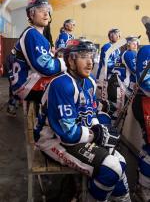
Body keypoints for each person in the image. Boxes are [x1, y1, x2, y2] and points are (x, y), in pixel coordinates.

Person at [36, 39, 131, 202]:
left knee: (121, 161)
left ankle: (122, 199)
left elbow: (90, 114)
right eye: (83, 56)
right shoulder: (62, 84)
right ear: (71, 61)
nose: (90, 62)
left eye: (91, 56)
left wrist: (99, 128)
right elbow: (68, 134)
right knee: (111, 169)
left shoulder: (90, 82)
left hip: (76, 136)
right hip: (52, 141)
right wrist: (96, 135)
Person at [11, 0, 66, 103]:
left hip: (27, 80)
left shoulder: (36, 35)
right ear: (31, 14)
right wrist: (65, 62)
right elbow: (46, 68)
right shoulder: (32, 34)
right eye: (41, 11)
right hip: (25, 85)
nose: (46, 14)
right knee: (67, 85)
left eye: (47, 11)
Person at [132, 19, 150, 202]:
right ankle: (143, 187)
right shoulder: (146, 50)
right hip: (145, 102)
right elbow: (145, 81)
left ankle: (143, 183)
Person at [107, 36, 139, 125]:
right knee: (117, 112)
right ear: (128, 44)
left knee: (115, 111)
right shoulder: (130, 53)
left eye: (136, 43)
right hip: (120, 85)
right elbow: (135, 70)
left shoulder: (123, 53)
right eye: (133, 43)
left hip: (115, 84)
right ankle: (112, 133)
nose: (136, 45)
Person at [96, 28, 121, 101]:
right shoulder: (106, 47)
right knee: (103, 98)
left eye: (118, 35)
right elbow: (107, 63)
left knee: (109, 97)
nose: (117, 36)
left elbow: (118, 62)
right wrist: (117, 68)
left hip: (111, 76)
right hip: (104, 75)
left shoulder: (117, 48)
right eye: (114, 34)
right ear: (110, 36)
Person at [6, 48, 18, 116]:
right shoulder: (11, 56)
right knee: (13, 91)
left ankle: (12, 106)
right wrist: (11, 75)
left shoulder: (17, 56)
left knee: (14, 91)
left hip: (15, 76)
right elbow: (8, 66)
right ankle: (10, 109)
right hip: (13, 77)